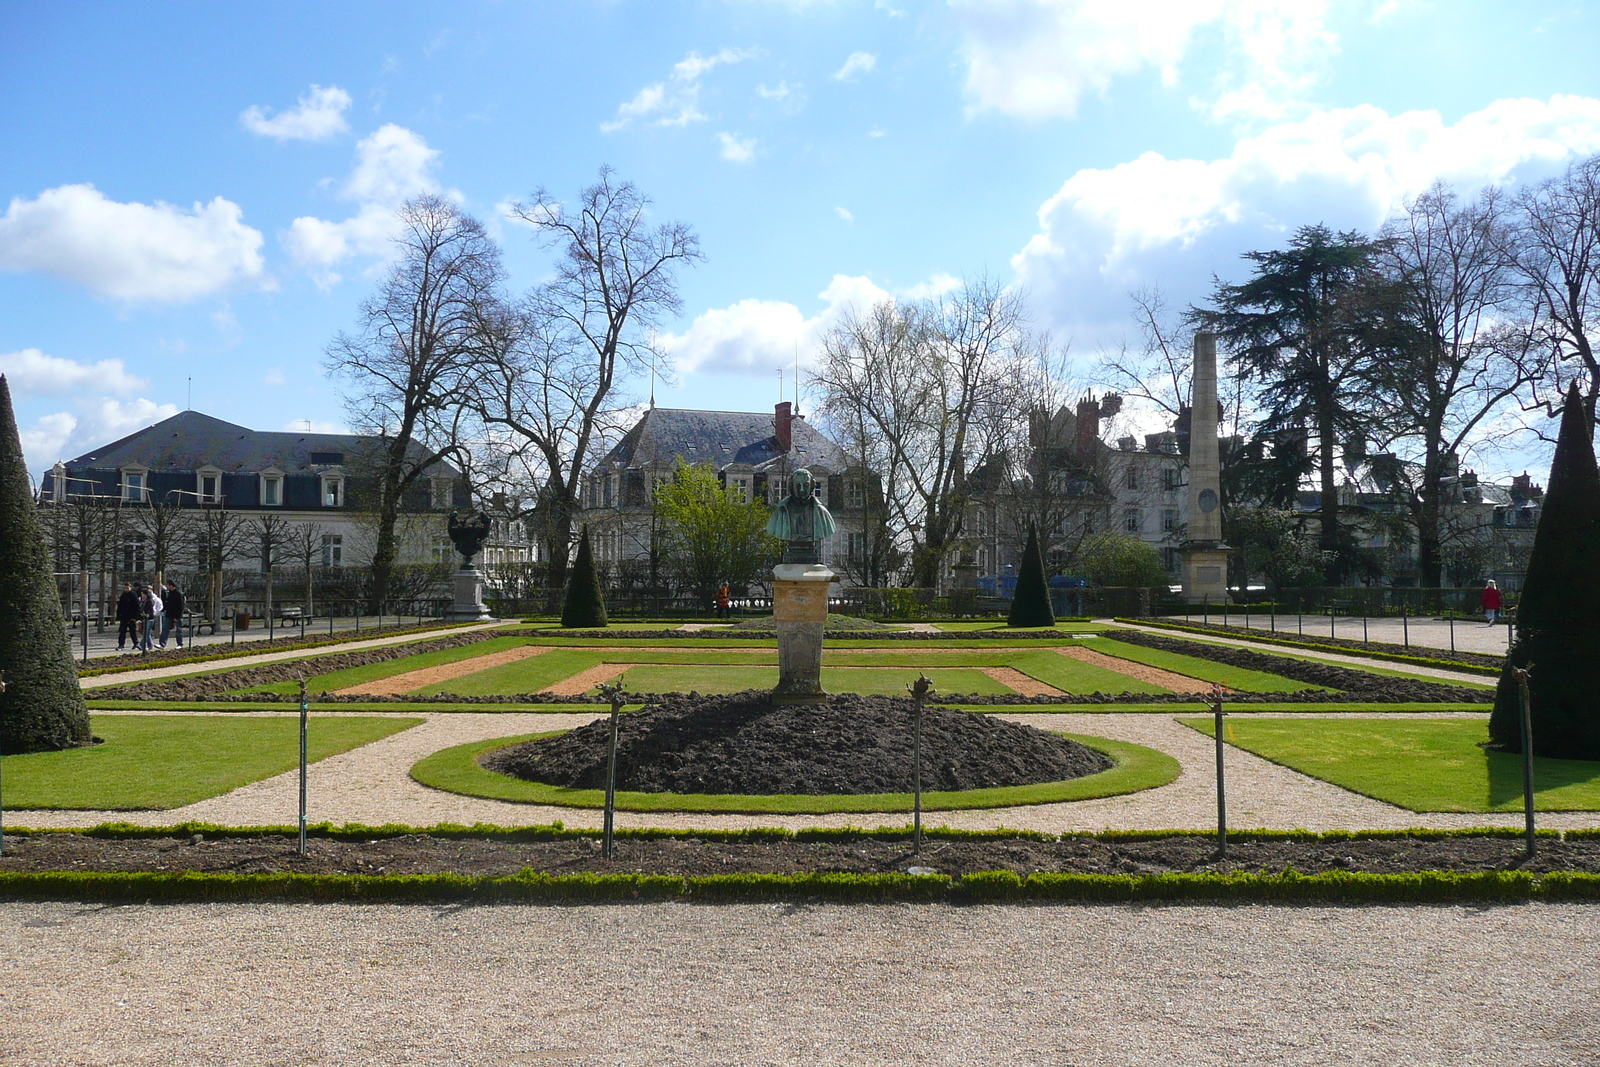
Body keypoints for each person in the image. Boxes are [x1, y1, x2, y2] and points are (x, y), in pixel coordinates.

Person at [160, 579, 186, 649]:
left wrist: (177, 616)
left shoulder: (178, 594)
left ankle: (180, 644)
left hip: (176, 615)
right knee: (165, 629)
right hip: (169, 614)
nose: (167, 587)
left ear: (171, 586)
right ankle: (162, 644)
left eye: (168, 585)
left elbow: (180, 606)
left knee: (178, 630)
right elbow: (167, 604)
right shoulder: (169, 593)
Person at [115, 582, 139, 650]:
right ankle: (121, 644)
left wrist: (135, 617)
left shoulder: (133, 595)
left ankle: (136, 643)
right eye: (125, 588)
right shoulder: (123, 595)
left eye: (127, 588)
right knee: (122, 631)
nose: (126, 589)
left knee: (132, 631)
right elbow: (120, 606)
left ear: (130, 588)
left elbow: (137, 607)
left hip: (131, 617)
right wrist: (118, 615)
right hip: (124, 617)